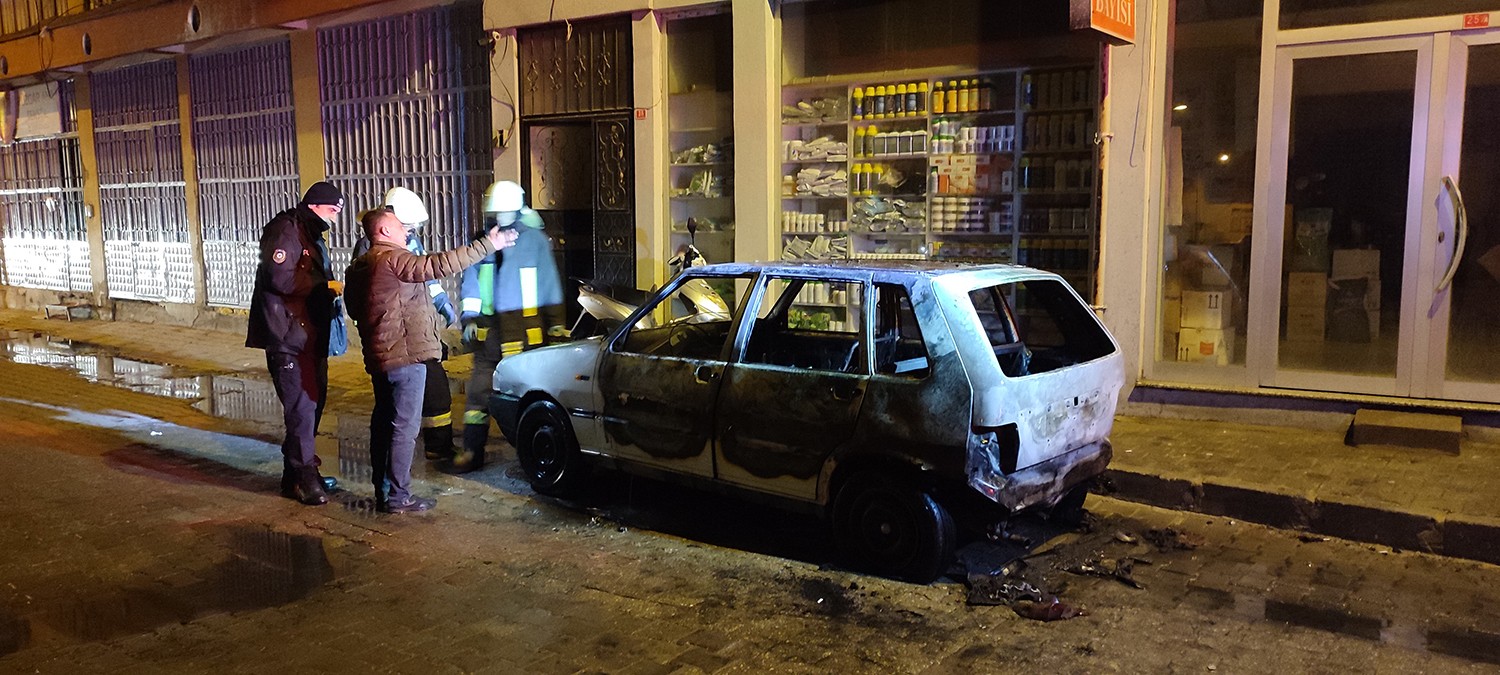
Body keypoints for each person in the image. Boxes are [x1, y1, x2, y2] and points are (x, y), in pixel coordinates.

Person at [345, 208, 517, 513]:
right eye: (400, 226)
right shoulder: (393, 259)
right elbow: (439, 265)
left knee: (383, 424)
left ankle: (383, 490)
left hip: (381, 357)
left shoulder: (359, 266)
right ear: (384, 231)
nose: (406, 232)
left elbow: (355, 309)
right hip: (406, 357)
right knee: (404, 429)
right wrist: (488, 245)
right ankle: (399, 497)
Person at [453, 180, 567, 473]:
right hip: (489, 337)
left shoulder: (535, 241)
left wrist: (556, 327)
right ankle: (472, 451)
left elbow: (550, 287)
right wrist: (469, 318)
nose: (499, 217)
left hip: (525, 337)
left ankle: (531, 455)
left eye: (504, 212)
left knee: (524, 397)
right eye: (496, 212)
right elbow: (471, 284)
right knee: (478, 396)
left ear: (516, 210)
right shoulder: (483, 242)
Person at [246, 181, 345, 506]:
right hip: (288, 336)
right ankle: (304, 478)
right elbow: (280, 277)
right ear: (314, 205)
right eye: (332, 209)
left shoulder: (311, 234)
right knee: (302, 408)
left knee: (312, 405)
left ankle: (297, 475)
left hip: (308, 335)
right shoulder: (287, 231)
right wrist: (324, 286)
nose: (335, 216)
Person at [351, 187, 461, 463]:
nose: (410, 231)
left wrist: (441, 302)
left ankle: (434, 446)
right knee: (394, 409)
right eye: (407, 225)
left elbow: (425, 274)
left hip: (417, 333)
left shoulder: (410, 241)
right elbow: (363, 297)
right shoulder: (370, 247)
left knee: (433, 389)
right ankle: (394, 470)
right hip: (395, 342)